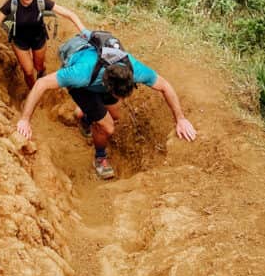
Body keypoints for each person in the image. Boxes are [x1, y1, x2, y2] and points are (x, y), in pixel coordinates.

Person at [16, 32, 196, 180]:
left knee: (115, 116)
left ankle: (86, 118)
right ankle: (100, 157)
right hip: (84, 88)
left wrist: (180, 119)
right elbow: (41, 84)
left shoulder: (133, 68)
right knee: (108, 127)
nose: (123, 99)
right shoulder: (81, 73)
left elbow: (165, 86)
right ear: (109, 87)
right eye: (119, 95)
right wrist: (25, 120)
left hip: (102, 82)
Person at [0, 0, 90, 88]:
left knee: (39, 67)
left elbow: (69, 14)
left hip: (38, 39)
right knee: (28, 72)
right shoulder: (11, 5)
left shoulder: (40, 1)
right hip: (19, 42)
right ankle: (33, 91)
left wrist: (83, 30)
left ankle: (42, 83)